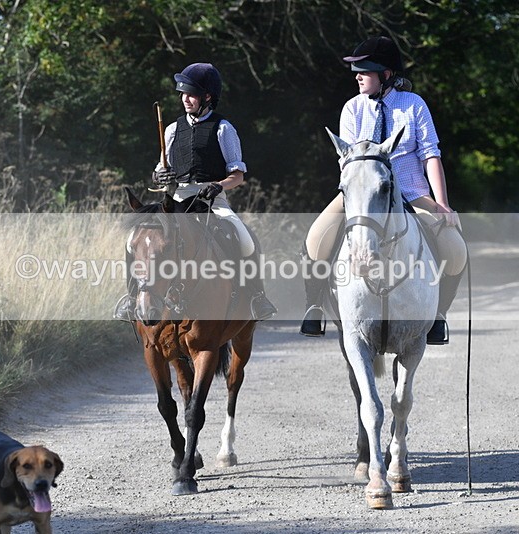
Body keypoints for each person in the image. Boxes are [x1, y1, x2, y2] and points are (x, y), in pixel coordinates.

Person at [299, 36, 467, 344]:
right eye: (357, 71)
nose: (358, 76)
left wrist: (441, 204)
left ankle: (437, 315)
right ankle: (314, 306)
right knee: (314, 238)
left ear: (386, 75)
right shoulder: (352, 109)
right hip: (362, 196)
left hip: (411, 194)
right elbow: (347, 161)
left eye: (365, 71)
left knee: (455, 250)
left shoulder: (414, 105)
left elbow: (430, 155)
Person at [114, 62, 278, 322]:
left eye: (191, 94)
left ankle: (257, 297)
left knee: (244, 237)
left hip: (212, 200)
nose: (185, 99)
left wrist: (219, 185)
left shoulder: (224, 129)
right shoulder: (171, 130)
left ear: (207, 97)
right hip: (176, 200)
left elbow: (238, 176)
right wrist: (160, 177)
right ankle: (131, 296)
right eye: (183, 94)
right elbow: (159, 171)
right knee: (133, 239)